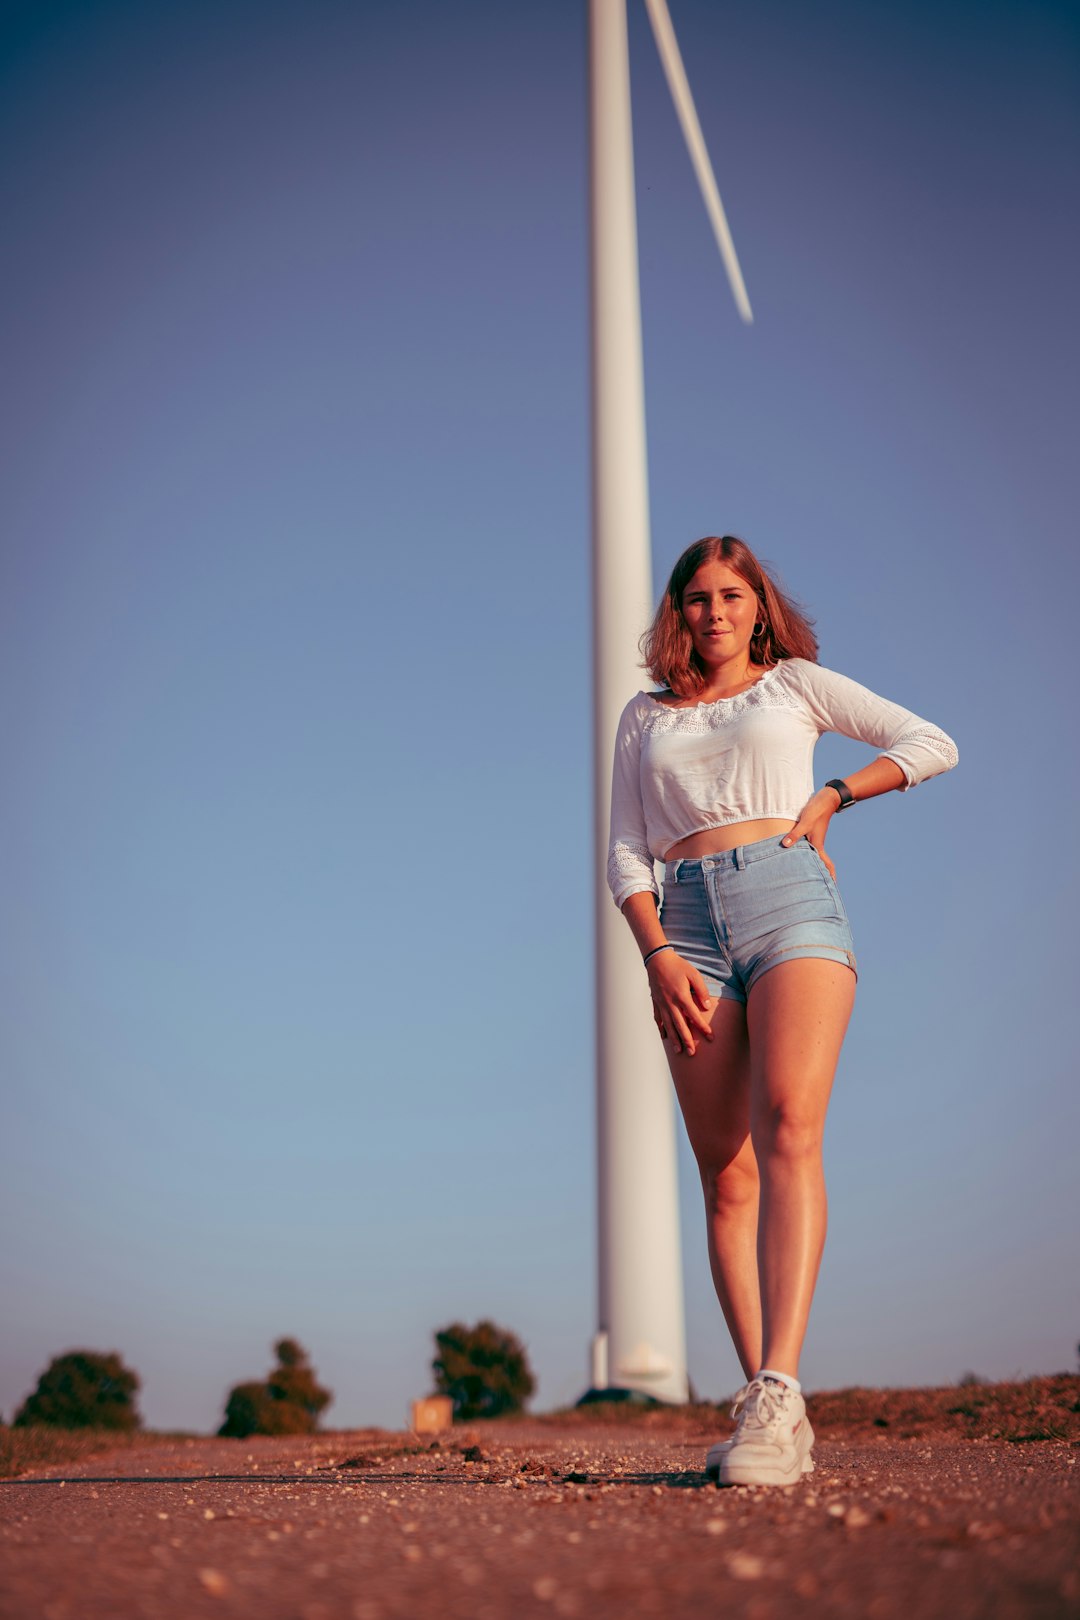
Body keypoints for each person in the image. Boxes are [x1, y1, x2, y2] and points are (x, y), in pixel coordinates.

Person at [607, 535, 957, 1487]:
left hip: (789, 897)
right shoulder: (645, 717)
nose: (713, 612)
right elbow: (626, 853)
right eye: (695, 598)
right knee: (727, 1173)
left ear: (759, 606)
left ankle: (777, 1388)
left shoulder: (795, 684)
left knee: (792, 1127)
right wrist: (656, 954)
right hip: (683, 926)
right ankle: (768, 1407)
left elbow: (931, 743)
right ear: (676, 613)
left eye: (731, 595)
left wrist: (835, 796)